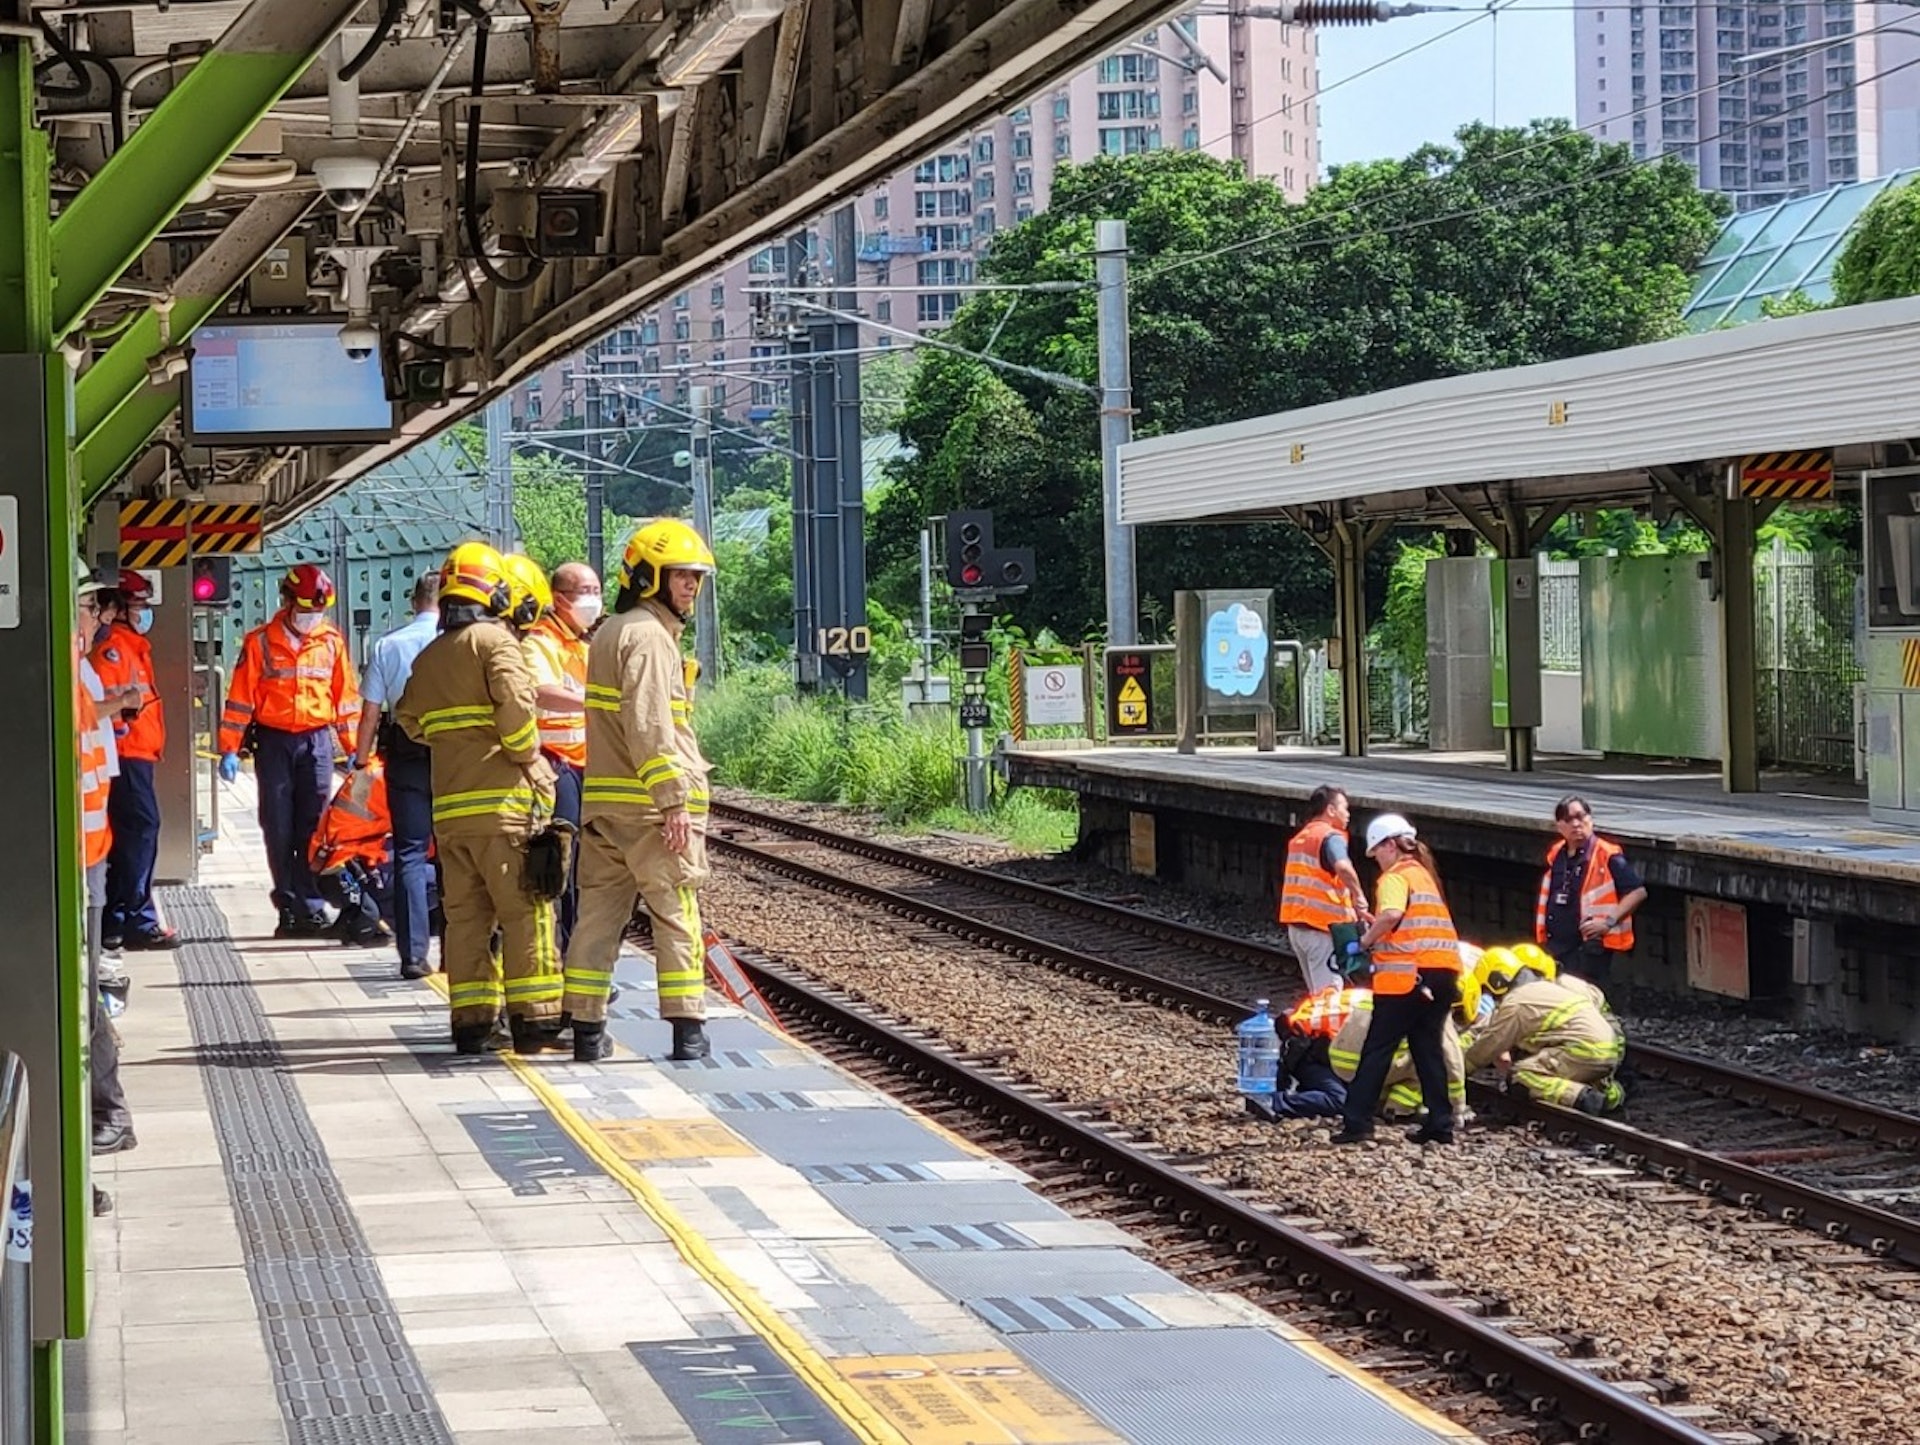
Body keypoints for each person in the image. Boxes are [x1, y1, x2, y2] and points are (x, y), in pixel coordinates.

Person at [396, 542, 564, 1055]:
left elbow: (408, 719)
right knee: (526, 914)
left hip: (451, 812)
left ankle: (471, 1025)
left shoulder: (430, 656)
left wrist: (458, 746)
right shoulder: (496, 642)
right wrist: (524, 752)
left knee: (465, 920)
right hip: (505, 809)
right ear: (495, 591)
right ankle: (534, 1025)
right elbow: (517, 710)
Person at [564, 519, 715, 1065]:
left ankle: (585, 1027)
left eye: (695, 577)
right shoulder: (650, 638)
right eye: (680, 576)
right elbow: (649, 723)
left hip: (606, 807)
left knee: (599, 917)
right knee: (677, 912)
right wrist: (673, 798)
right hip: (650, 810)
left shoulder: (609, 631)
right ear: (650, 577)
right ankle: (688, 1030)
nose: (690, 587)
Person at [219, 565, 361, 938]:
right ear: (286, 601)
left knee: (313, 827)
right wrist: (228, 749)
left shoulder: (331, 641)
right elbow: (239, 699)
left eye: (318, 610)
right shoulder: (261, 642)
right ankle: (288, 905)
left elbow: (345, 699)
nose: (312, 617)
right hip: (274, 742)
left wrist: (356, 752)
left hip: (316, 741)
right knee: (278, 826)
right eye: (306, 610)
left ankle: (311, 905)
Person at [1333, 813, 1463, 1145]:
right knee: (1427, 1048)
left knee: (1377, 1048)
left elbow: (1392, 916)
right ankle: (1440, 1121)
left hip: (1407, 979)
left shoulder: (1395, 877)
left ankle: (1357, 1122)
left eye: (1377, 853)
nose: (1378, 861)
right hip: (1442, 975)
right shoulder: (1424, 877)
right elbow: (1410, 925)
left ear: (1390, 845)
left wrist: (1364, 941)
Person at [77, 569, 136, 1160]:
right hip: (80, 857)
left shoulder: (79, 674)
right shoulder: (78, 672)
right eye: (91, 606)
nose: (99, 616)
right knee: (82, 989)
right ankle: (106, 1110)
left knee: (83, 990)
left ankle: (109, 1110)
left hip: (82, 860)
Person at [355, 573, 441, 979]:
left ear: (414, 602)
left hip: (405, 755)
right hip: (455, 759)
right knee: (455, 852)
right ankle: (461, 951)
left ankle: (412, 955)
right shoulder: (462, 644)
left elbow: (371, 711)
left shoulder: (389, 645)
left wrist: (359, 759)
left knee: (409, 851)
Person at [88, 570, 178, 951]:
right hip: (125, 755)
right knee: (139, 833)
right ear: (120, 608)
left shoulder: (132, 646)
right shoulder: (114, 649)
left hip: (133, 754)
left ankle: (121, 918)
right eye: (139, 605)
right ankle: (132, 919)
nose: (144, 612)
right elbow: (107, 703)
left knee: (133, 837)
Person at [523, 560, 598, 953]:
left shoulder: (585, 644)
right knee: (564, 863)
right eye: (584, 592)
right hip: (557, 763)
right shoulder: (541, 642)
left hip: (589, 763)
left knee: (590, 864)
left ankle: (581, 950)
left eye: (596, 591)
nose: (594, 600)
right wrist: (593, 701)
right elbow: (540, 689)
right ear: (558, 599)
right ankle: (567, 950)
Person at [1466, 949, 1626, 1114]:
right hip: (1607, 1051)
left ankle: (1584, 1098)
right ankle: (1612, 1095)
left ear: (1496, 981)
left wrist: (1459, 1069)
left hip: (1583, 1051)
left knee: (1521, 1076)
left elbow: (1489, 1045)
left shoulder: (1515, 1004)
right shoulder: (1546, 988)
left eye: (1487, 990)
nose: (1490, 997)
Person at [1536, 795, 1646, 991]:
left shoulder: (1606, 854)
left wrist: (1608, 922)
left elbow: (1637, 891)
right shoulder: (1556, 855)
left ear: (1590, 819)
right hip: (1558, 945)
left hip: (1589, 946)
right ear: (1559, 826)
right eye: (1569, 820)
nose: (1576, 824)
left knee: (1589, 996)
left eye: (1581, 817)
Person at [1277, 785, 1367, 992]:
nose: (1348, 814)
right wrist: (1359, 897)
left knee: (1318, 996)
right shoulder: (1330, 836)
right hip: (1321, 929)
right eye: (1345, 808)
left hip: (1298, 928)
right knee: (1329, 998)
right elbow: (1343, 867)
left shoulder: (1301, 837)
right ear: (1331, 810)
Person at [308, 759, 395, 948]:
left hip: (332, 864)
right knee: (424, 875)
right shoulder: (391, 778)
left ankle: (361, 914)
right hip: (347, 866)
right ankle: (369, 915)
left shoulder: (373, 770)